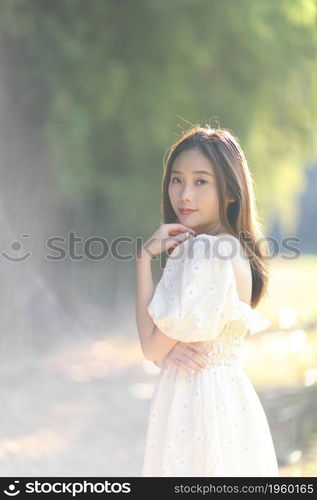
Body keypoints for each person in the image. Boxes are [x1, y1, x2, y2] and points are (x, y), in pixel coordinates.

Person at [135, 125, 279, 476]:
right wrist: (169, 349)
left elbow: (151, 347)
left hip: (195, 402)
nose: (184, 194)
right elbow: (172, 343)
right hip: (229, 400)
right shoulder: (232, 247)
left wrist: (142, 260)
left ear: (230, 193)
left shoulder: (205, 250)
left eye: (201, 182)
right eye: (176, 180)